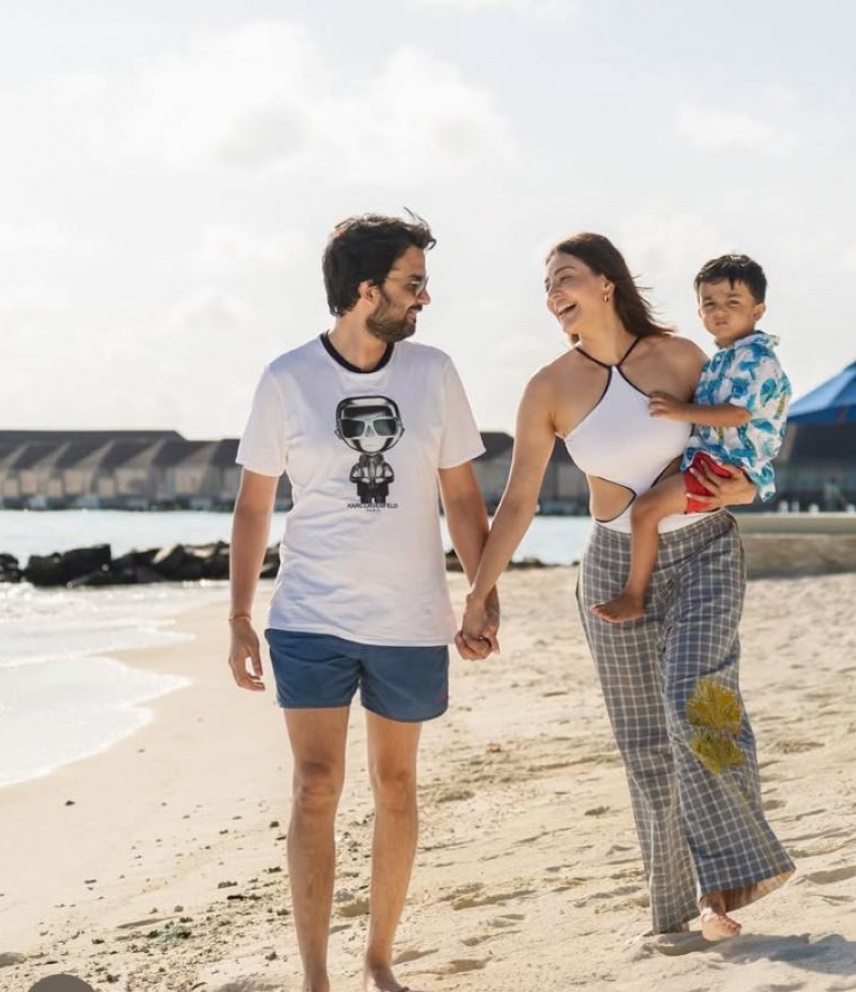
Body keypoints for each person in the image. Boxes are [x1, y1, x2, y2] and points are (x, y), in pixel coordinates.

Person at [459, 233, 794, 942]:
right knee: (644, 744)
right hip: (611, 565)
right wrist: (479, 593)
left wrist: (750, 488)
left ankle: (725, 887)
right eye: (547, 284)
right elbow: (517, 501)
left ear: (606, 282)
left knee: (699, 707)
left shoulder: (681, 357)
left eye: (566, 277)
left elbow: (751, 432)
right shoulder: (548, 388)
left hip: (704, 550)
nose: (554, 292)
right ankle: (676, 911)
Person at [226, 213, 498, 992]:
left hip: (409, 618)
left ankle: (379, 958)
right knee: (315, 785)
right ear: (366, 290)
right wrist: (239, 616)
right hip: (310, 615)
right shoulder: (287, 379)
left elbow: (461, 496)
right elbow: (254, 504)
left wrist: (482, 595)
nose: (424, 298)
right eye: (413, 283)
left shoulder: (433, 373)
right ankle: (316, 977)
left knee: (396, 785)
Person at [590, 254, 791, 624]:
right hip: (712, 458)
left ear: (758, 310)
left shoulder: (757, 360)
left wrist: (679, 410)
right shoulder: (722, 359)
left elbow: (738, 414)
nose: (719, 311)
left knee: (646, 510)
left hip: (724, 465)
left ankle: (634, 595)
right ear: (699, 312)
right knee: (651, 505)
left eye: (733, 302)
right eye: (709, 304)